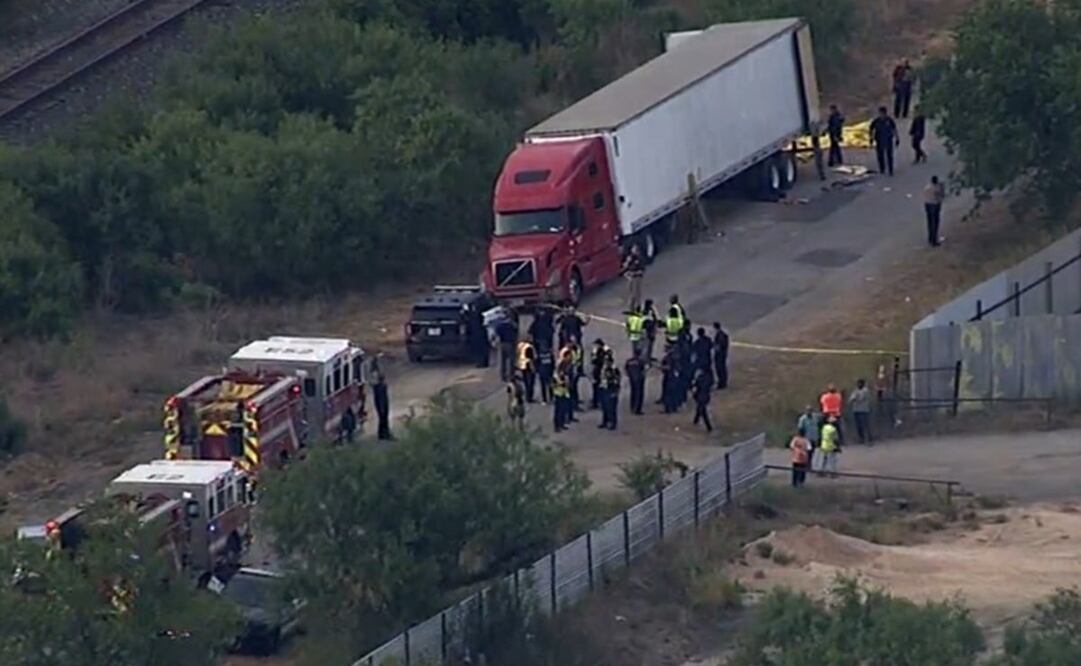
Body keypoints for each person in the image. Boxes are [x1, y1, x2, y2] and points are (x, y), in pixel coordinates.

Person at [870, 106, 899, 176]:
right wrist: (871, 138)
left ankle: (890, 170)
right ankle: (882, 168)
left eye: (882, 113)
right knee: (880, 155)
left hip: (888, 139)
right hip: (879, 140)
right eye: (880, 113)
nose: (881, 115)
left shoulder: (889, 120)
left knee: (889, 155)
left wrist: (897, 138)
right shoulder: (876, 121)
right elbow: (871, 129)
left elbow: (894, 129)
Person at [370, 356, 393, 441]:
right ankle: (384, 434)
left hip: (380, 401)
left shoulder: (377, 383)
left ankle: (382, 434)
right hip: (382, 402)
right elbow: (381, 398)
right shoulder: (379, 385)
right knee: (383, 417)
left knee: (382, 418)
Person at [796, 405, 822, 471]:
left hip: (814, 438)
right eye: (808, 410)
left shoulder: (815, 417)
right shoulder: (803, 419)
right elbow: (800, 429)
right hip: (806, 439)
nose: (809, 412)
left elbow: (819, 424)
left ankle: (809, 465)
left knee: (811, 453)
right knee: (806, 453)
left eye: (810, 410)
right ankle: (805, 466)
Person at [600, 354, 621, 430]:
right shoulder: (604, 369)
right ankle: (605, 421)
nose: (606, 363)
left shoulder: (614, 370)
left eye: (607, 361)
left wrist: (615, 392)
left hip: (611, 389)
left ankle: (612, 423)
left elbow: (617, 381)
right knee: (604, 406)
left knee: (612, 408)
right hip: (604, 388)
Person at [923, 175, 946, 247]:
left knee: (930, 222)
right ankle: (934, 240)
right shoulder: (937, 188)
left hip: (927, 204)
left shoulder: (927, 187)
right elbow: (942, 195)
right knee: (935, 222)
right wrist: (942, 187)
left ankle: (930, 238)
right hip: (935, 205)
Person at [495, 314, 518, 382]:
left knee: (503, 361)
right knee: (511, 361)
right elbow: (515, 333)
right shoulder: (512, 325)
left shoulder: (499, 325)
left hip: (502, 344)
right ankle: (511, 375)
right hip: (510, 344)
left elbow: (497, 334)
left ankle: (503, 376)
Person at [849, 378, 873, 444]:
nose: (858, 385)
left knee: (865, 425)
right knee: (858, 426)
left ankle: (868, 439)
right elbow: (851, 399)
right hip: (856, 410)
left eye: (860, 383)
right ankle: (861, 438)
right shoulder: (856, 390)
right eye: (858, 383)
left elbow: (860, 398)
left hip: (864, 410)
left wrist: (854, 397)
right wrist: (853, 398)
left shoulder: (865, 391)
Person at [622, 245, 645, 310]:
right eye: (633, 249)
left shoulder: (640, 259)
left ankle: (638, 306)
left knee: (636, 293)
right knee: (631, 293)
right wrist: (627, 262)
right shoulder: (630, 258)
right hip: (630, 278)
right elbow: (625, 267)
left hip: (637, 278)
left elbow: (641, 271)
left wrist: (633, 273)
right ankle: (631, 307)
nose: (633, 251)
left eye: (635, 250)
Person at [691, 368, 713, 432]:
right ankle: (696, 420)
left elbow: (698, 386)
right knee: (700, 409)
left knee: (702, 411)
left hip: (702, 397)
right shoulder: (706, 378)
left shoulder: (703, 379)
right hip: (702, 396)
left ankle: (709, 427)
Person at [625, 351, 646, 415]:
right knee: (639, 395)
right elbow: (643, 371)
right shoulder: (641, 361)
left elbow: (626, 369)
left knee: (633, 393)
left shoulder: (629, 361)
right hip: (639, 380)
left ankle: (632, 408)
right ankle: (637, 409)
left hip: (632, 379)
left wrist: (630, 376)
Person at [589, 338, 608, 410]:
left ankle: (597, 402)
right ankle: (596, 401)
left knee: (598, 387)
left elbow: (596, 361)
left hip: (600, 372)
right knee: (596, 387)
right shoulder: (598, 351)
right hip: (597, 371)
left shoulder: (602, 352)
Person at [517, 338, 537, 403]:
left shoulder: (520, 345)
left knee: (525, 382)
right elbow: (530, 359)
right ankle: (529, 397)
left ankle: (526, 396)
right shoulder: (529, 348)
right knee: (530, 383)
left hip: (522, 365)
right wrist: (533, 368)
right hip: (528, 366)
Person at [660, 349, 679, 414]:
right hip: (674, 377)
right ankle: (673, 408)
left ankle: (668, 409)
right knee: (673, 393)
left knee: (668, 393)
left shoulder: (669, 358)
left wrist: (661, 367)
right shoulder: (676, 357)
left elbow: (668, 367)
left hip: (669, 377)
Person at [552, 368, 571, 432]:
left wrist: (566, 382)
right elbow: (554, 385)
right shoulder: (555, 375)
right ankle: (557, 426)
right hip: (558, 394)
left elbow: (567, 384)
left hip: (564, 393)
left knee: (563, 409)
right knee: (558, 411)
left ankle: (562, 424)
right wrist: (562, 383)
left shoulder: (565, 374)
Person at [712, 322, 729, 390]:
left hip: (720, 355)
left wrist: (713, 346)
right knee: (722, 368)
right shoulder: (723, 334)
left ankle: (722, 383)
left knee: (720, 368)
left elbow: (719, 346)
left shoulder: (720, 335)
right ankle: (723, 382)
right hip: (723, 354)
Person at [642, 299, 659, 363]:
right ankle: (647, 358)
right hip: (649, 331)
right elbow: (648, 322)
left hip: (651, 330)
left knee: (650, 345)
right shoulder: (647, 312)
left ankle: (648, 357)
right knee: (648, 345)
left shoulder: (650, 311)